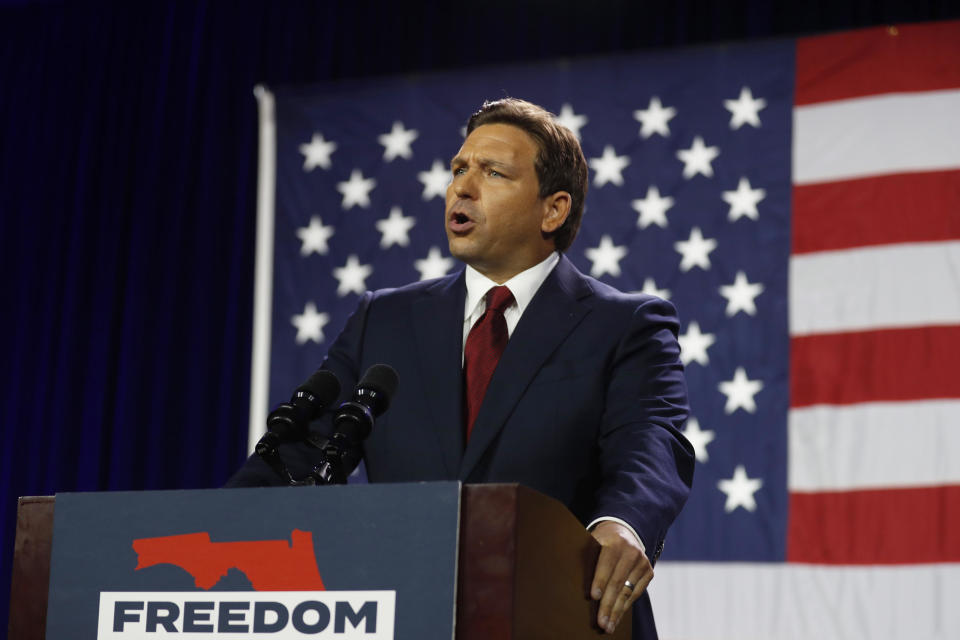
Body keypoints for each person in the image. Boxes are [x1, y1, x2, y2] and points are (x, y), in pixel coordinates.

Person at [228, 98, 694, 638]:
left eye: (493, 173)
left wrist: (623, 525)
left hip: (562, 612)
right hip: (406, 611)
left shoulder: (626, 323)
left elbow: (651, 443)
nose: (462, 188)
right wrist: (216, 525)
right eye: (458, 169)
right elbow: (302, 450)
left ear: (554, 209)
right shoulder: (384, 318)